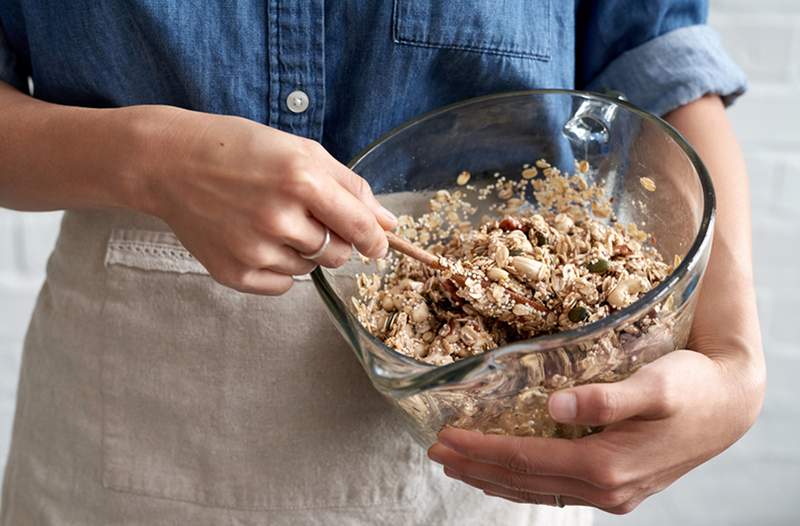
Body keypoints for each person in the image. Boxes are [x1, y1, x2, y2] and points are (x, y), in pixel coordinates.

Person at [0, 1, 764, 525]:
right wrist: (152, 162)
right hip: (133, 416)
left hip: (506, 412)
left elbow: (653, 58)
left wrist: (733, 356)